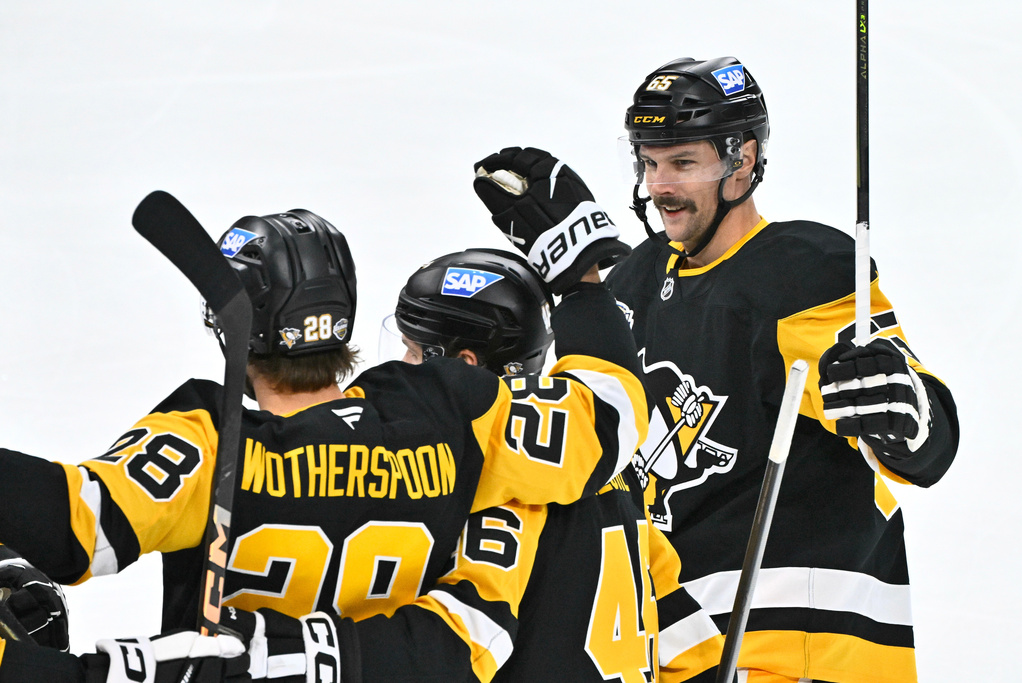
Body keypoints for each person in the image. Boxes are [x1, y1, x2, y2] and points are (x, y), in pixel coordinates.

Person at [0, 206, 649, 682]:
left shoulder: (212, 442)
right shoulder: (454, 415)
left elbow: (73, 526)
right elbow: (610, 418)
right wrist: (581, 281)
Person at [471, 57, 959, 683]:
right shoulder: (632, 282)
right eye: (649, 163)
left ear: (743, 161)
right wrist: (579, 285)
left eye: (682, 163)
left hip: (798, 653)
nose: (659, 185)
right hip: (677, 653)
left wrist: (906, 411)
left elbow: (925, 443)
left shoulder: (801, 274)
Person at [391, 245, 724, 682]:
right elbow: (686, 642)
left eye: (413, 351)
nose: (402, 366)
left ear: (464, 364)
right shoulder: (613, 468)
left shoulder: (479, 480)